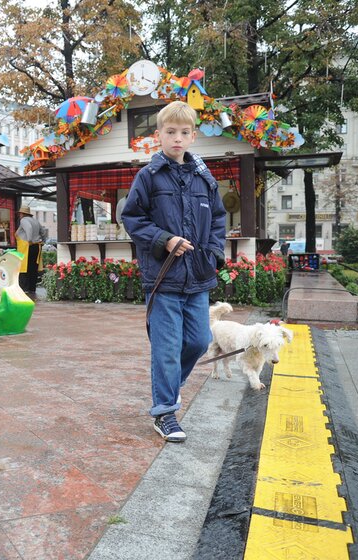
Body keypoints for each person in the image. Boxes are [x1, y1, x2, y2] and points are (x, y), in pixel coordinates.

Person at [121, 101, 226, 443]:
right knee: (166, 348)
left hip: (198, 276)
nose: (177, 139)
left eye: (183, 133)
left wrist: (213, 253)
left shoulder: (205, 179)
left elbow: (219, 220)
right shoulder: (148, 177)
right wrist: (164, 240)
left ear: (193, 136)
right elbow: (132, 218)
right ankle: (165, 411)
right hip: (163, 277)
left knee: (199, 341)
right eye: (170, 132)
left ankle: (168, 383)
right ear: (159, 136)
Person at [15, 205, 43, 296]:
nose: (19, 215)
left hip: (27, 247)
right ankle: (32, 288)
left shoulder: (23, 220)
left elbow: (29, 229)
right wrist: (42, 239)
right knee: (33, 268)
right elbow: (43, 231)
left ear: (22, 214)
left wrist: (30, 240)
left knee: (24, 267)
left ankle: (25, 289)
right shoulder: (36, 221)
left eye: (20, 214)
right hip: (36, 246)